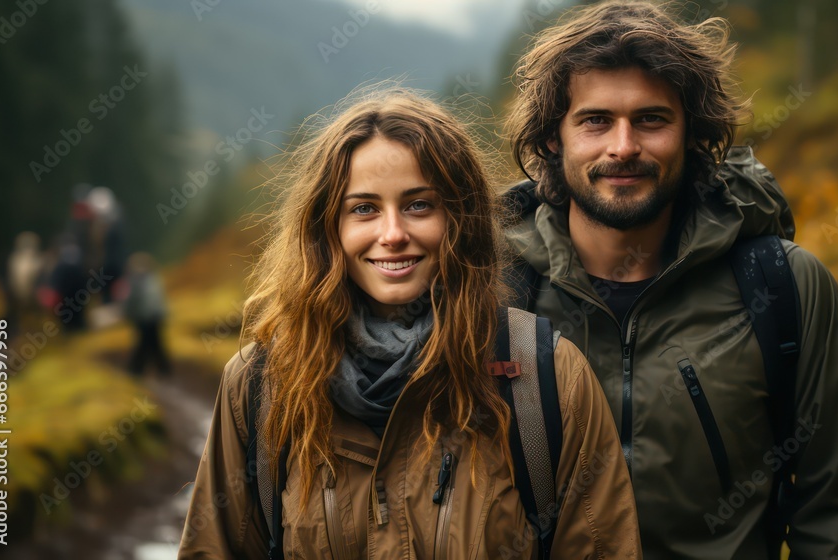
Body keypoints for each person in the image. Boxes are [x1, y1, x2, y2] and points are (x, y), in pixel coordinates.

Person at [501, 2, 838, 558]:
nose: (624, 146)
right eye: (595, 120)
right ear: (552, 140)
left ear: (692, 134)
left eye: (651, 119)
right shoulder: (494, 294)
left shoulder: (786, 287)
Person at [178, 91, 642, 558]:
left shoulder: (544, 378)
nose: (393, 234)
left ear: (459, 219)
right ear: (327, 228)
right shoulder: (262, 385)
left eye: (419, 205)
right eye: (363, 209)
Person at [122, 252, 171, 377]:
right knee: (154, 344)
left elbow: (132, 300)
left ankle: (136, 370)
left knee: (145, 344)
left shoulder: (136, 281)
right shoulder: (153, 278)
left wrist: (127, 314)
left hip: (145, 318)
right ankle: (163, 370)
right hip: (155, 316)